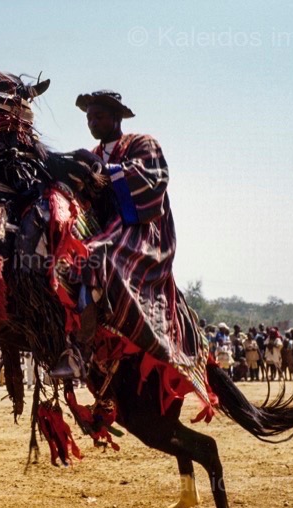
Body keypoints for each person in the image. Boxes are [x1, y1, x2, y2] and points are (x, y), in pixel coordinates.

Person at [52, 90, 210, 414]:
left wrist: (99, 170)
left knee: (94, 255)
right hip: (106, 228)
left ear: (117, 118)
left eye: (99, 116)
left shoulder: (142, 143)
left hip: (143, 230)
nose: (92, 122)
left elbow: (151, 182)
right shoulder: (93, 152)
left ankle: (79, 350)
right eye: (88, 117)